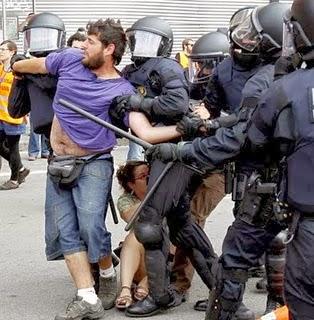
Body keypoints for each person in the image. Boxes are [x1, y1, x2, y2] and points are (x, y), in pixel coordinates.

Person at [146, 3, 291, 320]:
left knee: (246, 249)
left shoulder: (266, 79)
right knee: (274, 239)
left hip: (266, 172)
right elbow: (234, 118)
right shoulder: (287, 75)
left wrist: (184, 151)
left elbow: (243, 133)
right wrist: (205, 125)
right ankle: (267, 307)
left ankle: (250, 308)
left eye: (255, 37)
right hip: (277, 175)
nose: (243, 41)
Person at [12, 17, 135, 320]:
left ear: (109, 49)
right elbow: (32, 66)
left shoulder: (122, 88)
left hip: (94, 162)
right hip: (58, 162)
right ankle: (87, 296)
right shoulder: (69, 60)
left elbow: (137, 124)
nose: (83, 45)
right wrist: (17, 64)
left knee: (91, 226)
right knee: (66, 230)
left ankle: (106, 273)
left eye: (91, 42)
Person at [170, 30, 229, 307]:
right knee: (184, 220)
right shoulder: (201, 91)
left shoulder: (235, 92)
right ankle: (181, 283)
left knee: (191, 221)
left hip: (222, 170)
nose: (201, 70)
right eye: (198, 64)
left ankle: (214, 288)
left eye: (206, 64)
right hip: (197, 164)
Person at [115, 161, 150, 310]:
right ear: (131, 185)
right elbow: (130, 218)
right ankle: (125, 289)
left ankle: (148, 282)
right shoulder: (126, 200)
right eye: (143, 177)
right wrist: (152, 195)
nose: (149, 179)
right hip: (142, 258)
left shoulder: (167, 193)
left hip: (168, 259)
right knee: (135, 235)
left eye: (151, 175)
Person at [0, 40, 29, 190]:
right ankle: (21, 169)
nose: (1, 52)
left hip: (13, 117)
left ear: (12, 52)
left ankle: (14, 179)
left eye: (4, 49)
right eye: (0, 49)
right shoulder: (0, 69)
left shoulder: (17, 70)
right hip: (1, 116)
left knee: (13, 148)